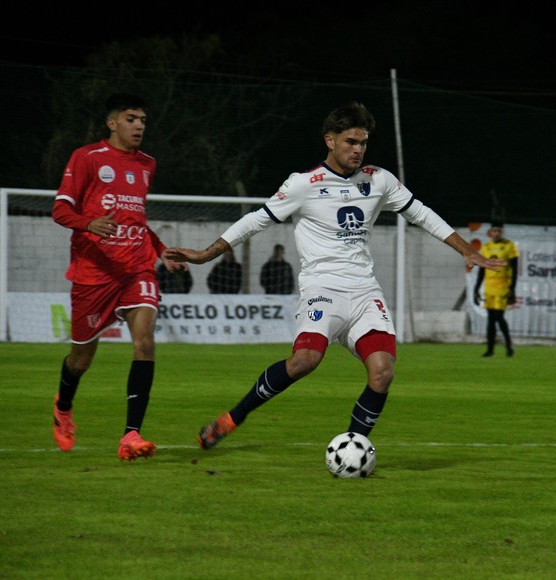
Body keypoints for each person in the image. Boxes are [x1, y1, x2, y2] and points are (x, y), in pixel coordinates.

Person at [164, 101, 506, 451]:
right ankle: (233, 417)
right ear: (330, 140)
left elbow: (421, 213)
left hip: (365, 292)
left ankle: (353, 447)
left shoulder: (379, 180)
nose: (358, 150)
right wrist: (206, 253)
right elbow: (256, 220)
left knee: (383, 372)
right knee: (304, 361)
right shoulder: (303, 184)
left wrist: (465, 249)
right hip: (322, 289)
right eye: (350, 142)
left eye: (363, 143)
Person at [50, 92, 188, 461]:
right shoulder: (87, 157)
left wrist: (159, 249)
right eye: (131, 119)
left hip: (136, 268)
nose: (139, 126)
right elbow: (60, 209)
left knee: (145, 344)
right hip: (93, 273)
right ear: (112, 123)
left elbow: (136, 218)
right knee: (80, 360)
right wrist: (88, 223)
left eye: (142, 120)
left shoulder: (147, 164)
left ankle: (131, 434)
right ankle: (63, 406)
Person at [473, 221, 518, 357]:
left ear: (502, 232)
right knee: (491, 318)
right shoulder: (486, 247)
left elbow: (515, 269)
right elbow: (482, 269)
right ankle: (490, 350)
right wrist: (476, 288)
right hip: (489, 287)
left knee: (498, 316)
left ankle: (508, 344)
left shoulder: (509, 246)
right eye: (494, 231)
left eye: (499, 231)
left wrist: (512, 289)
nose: (496, 233)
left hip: (503, 286)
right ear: (490, 232)